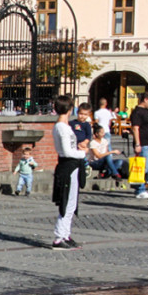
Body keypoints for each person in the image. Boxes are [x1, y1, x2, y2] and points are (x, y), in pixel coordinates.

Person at [50, 95, 84, 250]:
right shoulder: (61, 127)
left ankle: (65, 234)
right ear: (70, 109)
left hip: (73, 165)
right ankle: (59, 237)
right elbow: (66, 151)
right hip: (67, 165)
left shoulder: (65, 126)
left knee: (71, 203)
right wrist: (83, 154)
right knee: (66, 202)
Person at [129, 91, 148, 199]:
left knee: (147, 167)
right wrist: (137, 144)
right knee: (142, 168)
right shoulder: (138, 112)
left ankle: (143, 186)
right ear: (145, 100)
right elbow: (135, 128)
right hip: (143, 143)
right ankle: (140, 190)